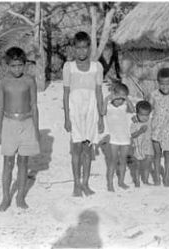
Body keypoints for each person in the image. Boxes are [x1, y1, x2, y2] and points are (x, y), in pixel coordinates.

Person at [0, 47, 40, 211]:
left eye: (20, 65)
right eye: (13, 66)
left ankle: (20, 197)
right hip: (8, 123)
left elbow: (34, 106)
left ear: (25, 64)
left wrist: (36, 129)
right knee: (7, 163)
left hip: (27, 123)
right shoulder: (3, 81)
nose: (17, 69)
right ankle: (6, 198)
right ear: (7, 65)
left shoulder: (29, 80)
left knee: (23, 162)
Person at [63, 31, 104, 197]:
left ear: (89, 48)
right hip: (75, 111)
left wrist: (101, 117)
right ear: (74, 49)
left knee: (88, 148)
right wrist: (66, 118)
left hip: (91, 110)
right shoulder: (69, 67)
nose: (81, 51)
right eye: (78, 48)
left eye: (84, 48)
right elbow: (66, 94)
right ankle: (76, 184)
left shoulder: (97, 67)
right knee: (76, 149)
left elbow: (99, 93)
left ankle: (85, 183)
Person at [147, 68, 169, 187]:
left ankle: (166, 177)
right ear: (158, 82)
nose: (165, 87)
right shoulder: (154, 95)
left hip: (168, 129)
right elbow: (148, 109)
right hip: (156, 128)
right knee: (157, 154)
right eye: (162, 84)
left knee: (167, 153)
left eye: (168, 84)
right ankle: (157, 176)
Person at [102, 82, 135, 191]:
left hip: (125, 138)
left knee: (123, 161)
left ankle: (121, 182)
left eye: (122, 99)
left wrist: (127, 99)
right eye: (118, 98)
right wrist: (108, 98)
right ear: (113, 95)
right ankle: (110, 184)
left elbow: (133, 110)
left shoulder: (124, 106)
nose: (120, 101)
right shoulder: (108, 106)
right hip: (114, 139)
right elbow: (102, 112)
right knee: (113, 161)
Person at [130, 100, 153, 187]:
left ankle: (146, 180)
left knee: (147, 165)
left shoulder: (150, 122)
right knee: (137, 166)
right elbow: (133, 135)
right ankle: (137, 181)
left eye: (147, 115)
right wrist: (140, 131)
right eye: (142, 115)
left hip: (149, 147)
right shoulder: (135, 124)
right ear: (137, 113)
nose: (144, 117)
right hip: (138, 147)